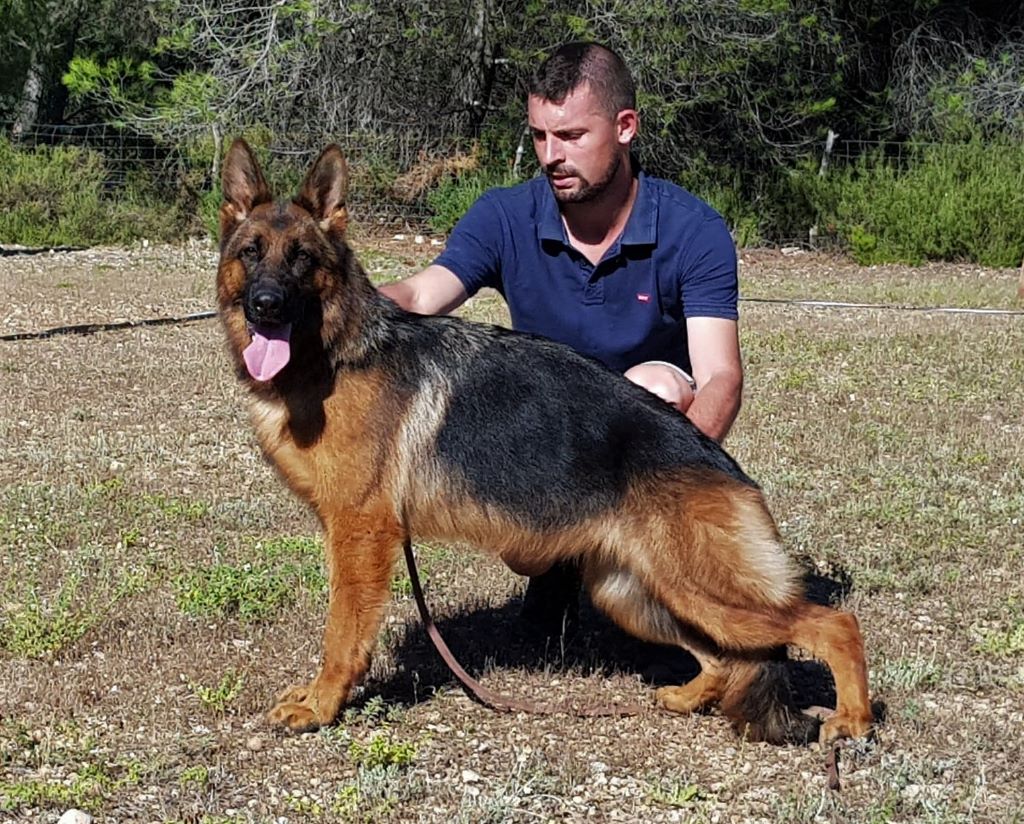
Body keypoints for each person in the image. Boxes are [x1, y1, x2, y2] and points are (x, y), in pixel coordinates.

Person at [379, 41, 743, 636]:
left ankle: (649, 576)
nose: (552, 155)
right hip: (554, 437)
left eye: (572, 136)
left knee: (648, 384)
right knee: (523, 547)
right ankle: (561, 571)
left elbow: (721, 376)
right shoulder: (504, 215)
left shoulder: (692, 230)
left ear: (626, 127)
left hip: (640, 443)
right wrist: (336, 303)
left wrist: (671, 493)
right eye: (541, 136)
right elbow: (422, 297)